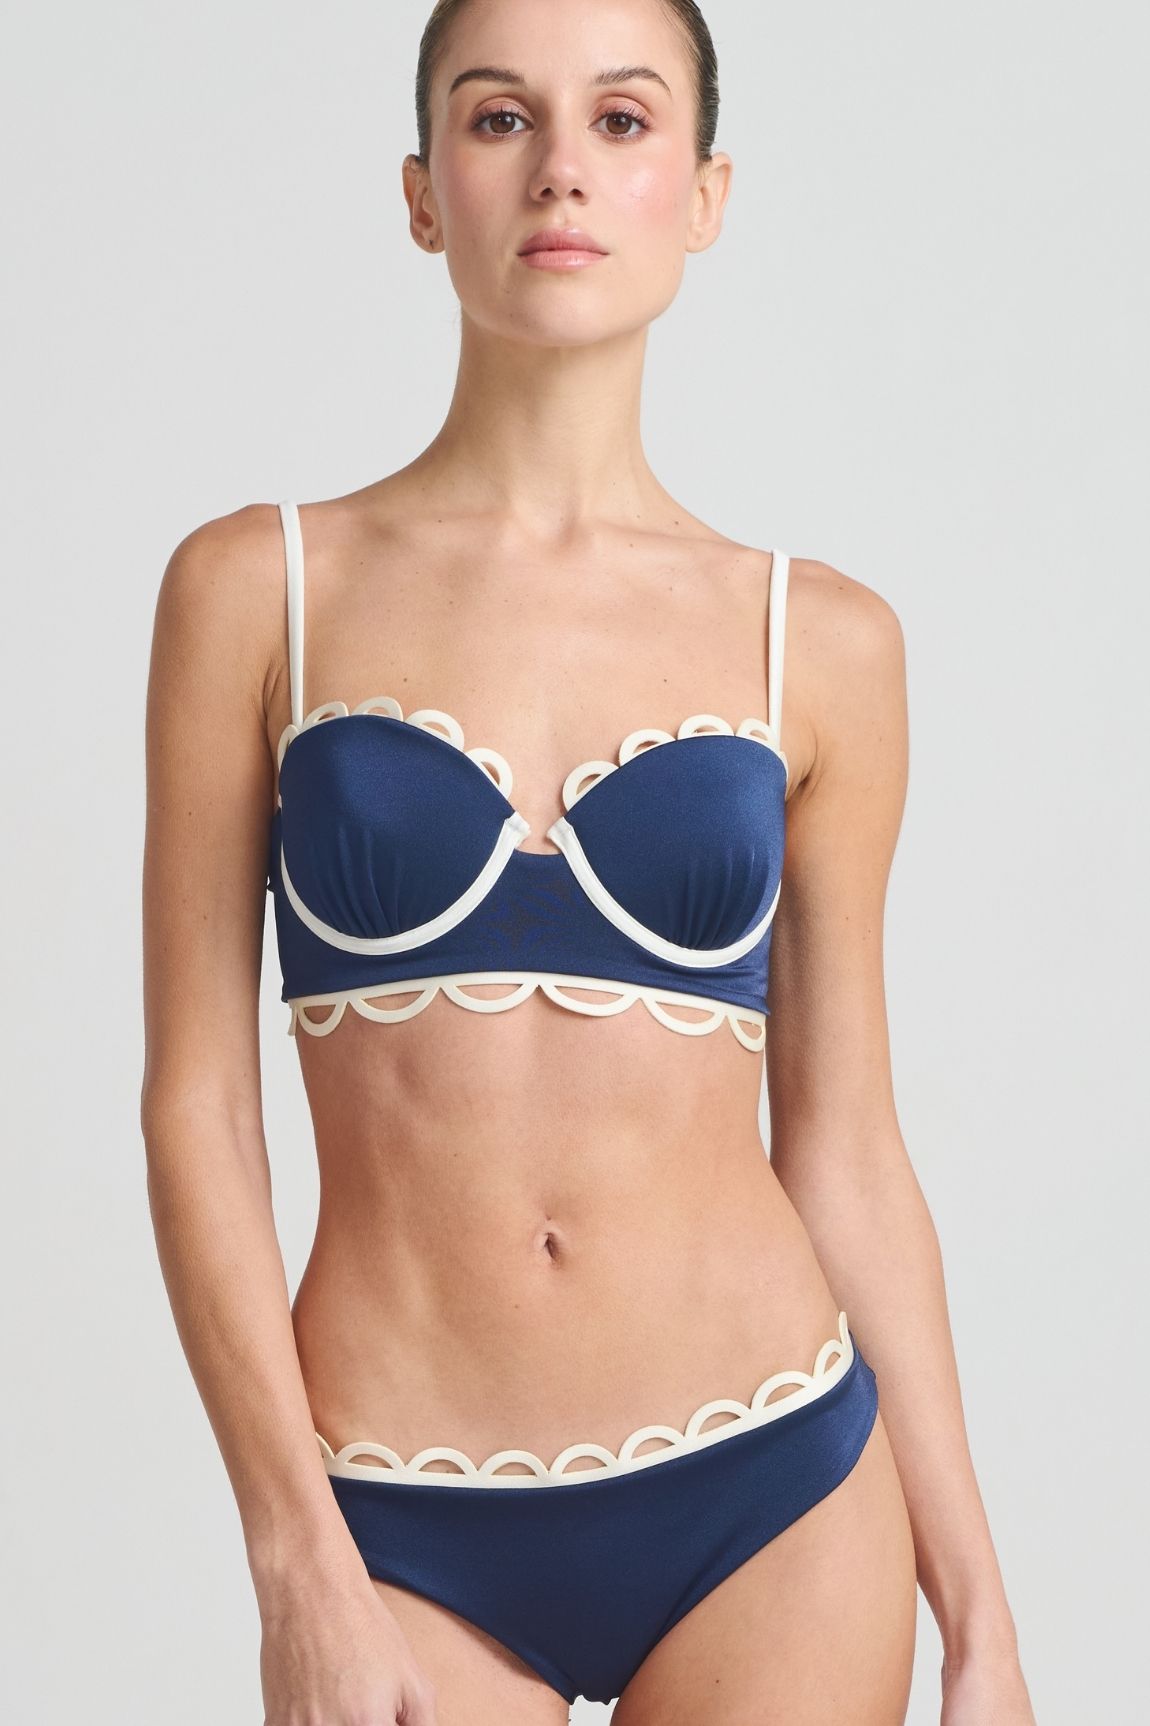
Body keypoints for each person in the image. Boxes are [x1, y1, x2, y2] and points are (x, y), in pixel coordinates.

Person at [140, 1, 1037, 1721]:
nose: (561, 168)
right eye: (500, 119)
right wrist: (295, 1556)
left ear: (703, 195)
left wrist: (981, 1615)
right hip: (393, 1504)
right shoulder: (258, 592)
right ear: (423, 193)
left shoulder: (818, 642)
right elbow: (197, 1108)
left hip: (771, 1485)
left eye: (622, 122)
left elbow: (845, 1144)